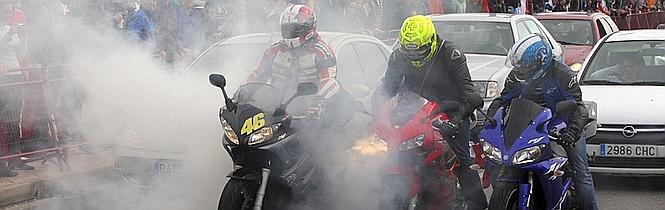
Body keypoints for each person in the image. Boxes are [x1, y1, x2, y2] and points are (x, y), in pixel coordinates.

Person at [371, 15, 488, 210]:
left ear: (432, 40)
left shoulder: (451, 54)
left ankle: (478, 204)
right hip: (413, 111)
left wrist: (457, 120)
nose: (414, 56)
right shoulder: (398, 56)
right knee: (390, 152)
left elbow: (469, 92)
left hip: (451, 112)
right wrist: (377, 110)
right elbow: (388, 87)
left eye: (420, 51)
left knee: (462, 157)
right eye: (409, 52)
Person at [485, 34, 598, 210]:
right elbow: (503, 100)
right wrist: (488, 122)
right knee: (499, 161)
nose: (520, 72)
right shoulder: (516, 76)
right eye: (518, 68)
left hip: (562, 124)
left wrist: (572, 132)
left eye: (524, 68)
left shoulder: (562, 74)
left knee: (581, 172)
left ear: (540, 61)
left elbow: (578, 107)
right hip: (529, 125)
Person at [245, 4, 340, 121]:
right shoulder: (275, 49)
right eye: (287, 29)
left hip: (309, 115)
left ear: (309, 27)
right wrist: (240, 96)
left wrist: (317, 104)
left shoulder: (322, 51)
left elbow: (329, 81)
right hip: (278, 111)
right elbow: (258, 74)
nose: (291, 32)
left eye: (296, 28)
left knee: (320, 136)